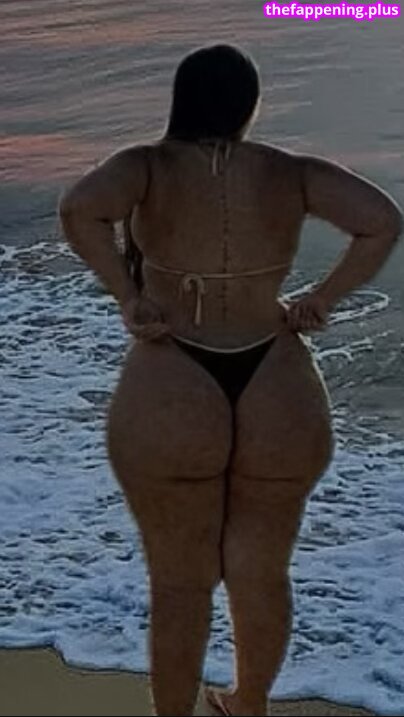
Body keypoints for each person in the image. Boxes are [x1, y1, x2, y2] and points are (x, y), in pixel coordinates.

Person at [59, 44, 402, 717]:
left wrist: (128, 296)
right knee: (261, 572)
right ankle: (248, 705)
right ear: (251, 107)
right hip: (277, 376)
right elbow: (382, 220)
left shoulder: (146, 166)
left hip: (174, 377)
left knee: (179, 583)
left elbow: (79, 209)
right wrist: (322, 298)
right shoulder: (290, 171)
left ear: (182, 100)